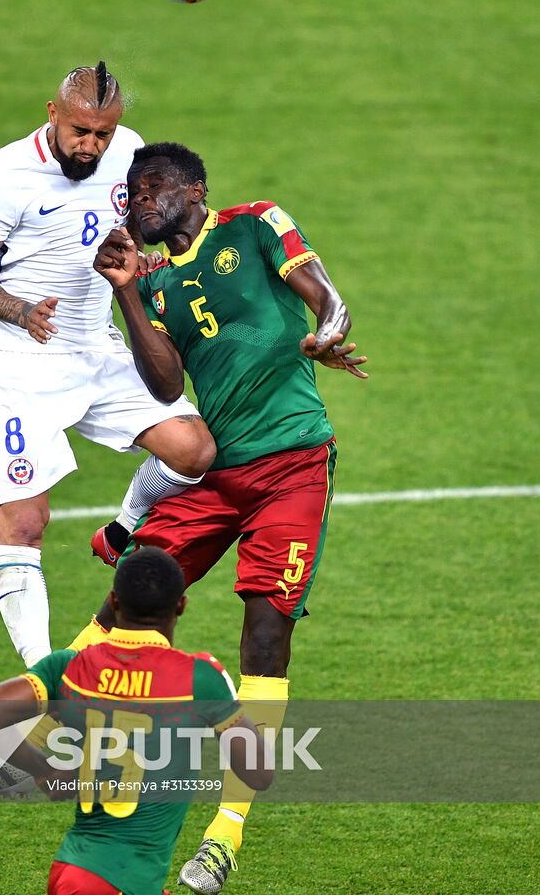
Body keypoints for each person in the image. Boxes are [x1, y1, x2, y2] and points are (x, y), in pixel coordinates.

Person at [79, 141, 367, 892]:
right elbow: (165, 378)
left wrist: (326, 333)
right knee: (130, 594)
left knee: (265, 633)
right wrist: (127, 293)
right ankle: (78, 739)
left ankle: (225, 836)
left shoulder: (253, 224)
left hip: (293, 466)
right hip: (217, 473)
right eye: (131, 193)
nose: (137, 201)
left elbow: (326, 296)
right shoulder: (158, 282)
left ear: (193, 190)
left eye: (151, 188)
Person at [0, 69, 215, 801]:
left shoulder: (130, 156)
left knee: (194, 451)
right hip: (25, 357)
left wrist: (142, 264)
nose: (92, 144)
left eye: (104, 133)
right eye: (81, 129)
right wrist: (21, 311)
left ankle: (123, 525)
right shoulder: (6, 173)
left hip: (98, 345)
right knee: (25, 523)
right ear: (53, 114)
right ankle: (51, 680)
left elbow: (147, 231)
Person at [0, 547, 272, 895]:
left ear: (113, 601)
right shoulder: (199, 678)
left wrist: (43, 770)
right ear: (181, 605)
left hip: (76, 870)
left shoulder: (67, 667)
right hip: (118, 883)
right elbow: (259, 774)